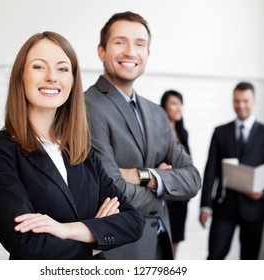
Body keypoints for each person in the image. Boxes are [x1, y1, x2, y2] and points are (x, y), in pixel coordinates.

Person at [0, 31, 144, 260]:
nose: (52, 77)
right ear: (20, 76)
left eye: (63, 68)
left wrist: (65, 229)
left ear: (73, 80)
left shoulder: (81, 150)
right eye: (38, 67)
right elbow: (26, 243)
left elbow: (133, 221)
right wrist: (96, 237)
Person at [85, 11, 201, 260]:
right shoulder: (87, 106)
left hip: (161, 246)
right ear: (101, 51)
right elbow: (112, 189)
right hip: (119, 252)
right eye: (120, 42)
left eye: (139, 44)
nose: (130, 51)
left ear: (147, 54)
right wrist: (165, 186)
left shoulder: (157, 113)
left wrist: (144, 175)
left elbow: (193, 179)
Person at [199, 81, 264, 260]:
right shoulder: (220, 132)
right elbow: (211, 170)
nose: (240, 105)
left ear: (254, 102)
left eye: (245, 101)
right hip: (224, 207)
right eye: (236, 101)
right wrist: (205, 205)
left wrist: (262, 191)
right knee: (214, 256)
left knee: (249, 260)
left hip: (254, 208)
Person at [160, 90, 191, 258]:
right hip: (164, 196)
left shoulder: (183, 133)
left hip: (180, 199)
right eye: (174, 103)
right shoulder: (157, 133)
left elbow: (188, 164)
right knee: (162, 241)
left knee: (175, 242)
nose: (179, 108)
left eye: (180, 104)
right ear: (164, 107)